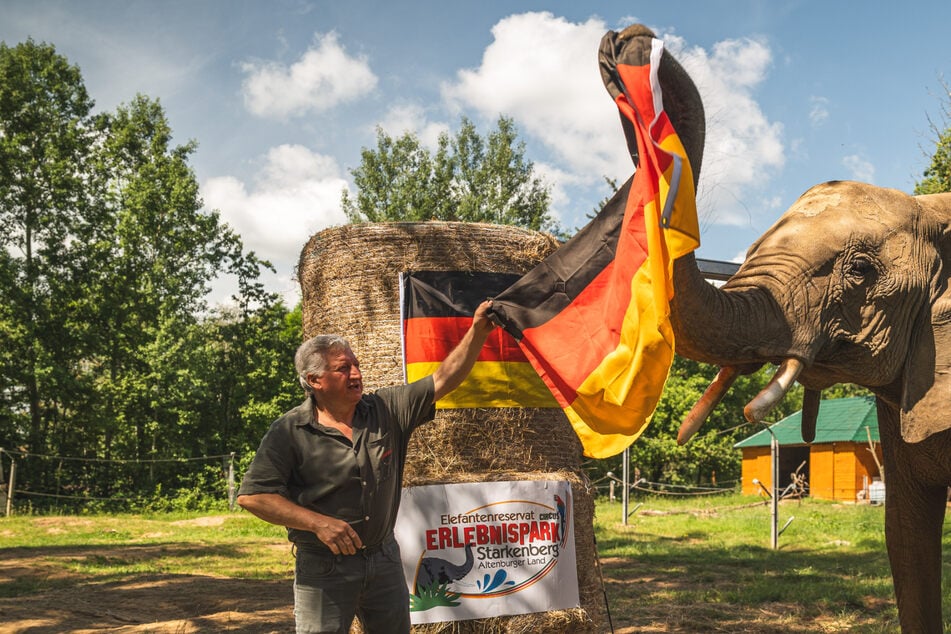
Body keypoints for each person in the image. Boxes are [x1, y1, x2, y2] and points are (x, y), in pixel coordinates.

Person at [237, 300, 497, 634]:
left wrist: (477, 331)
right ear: (315, 380)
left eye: (356, 365)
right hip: (323, 567)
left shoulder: (386, 409)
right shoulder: (289, 430)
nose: (356, 374)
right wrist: (317, 523)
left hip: (384, 558)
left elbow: (444, 378)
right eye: (343, 369)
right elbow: (254, 496)